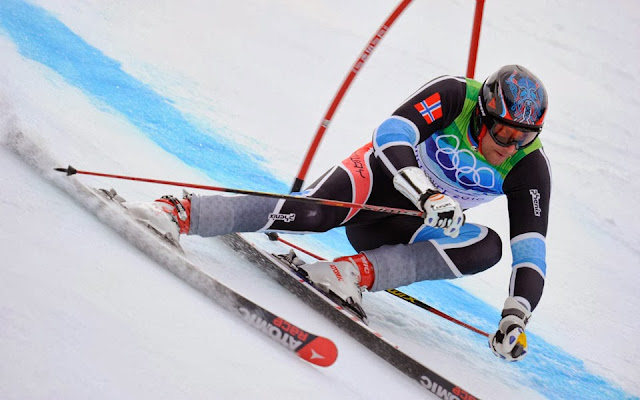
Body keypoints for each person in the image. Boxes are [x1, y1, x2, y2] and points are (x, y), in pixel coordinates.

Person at [126, 64, 550, 362]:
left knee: (487, 246)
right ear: (483, 115)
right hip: (377, 181)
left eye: (523, 137)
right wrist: (424, 193)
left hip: (406, 227)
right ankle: (179, 211)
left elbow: (531, 249)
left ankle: (349, 274)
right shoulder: (457, 95)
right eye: (503, 132)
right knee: (313, 215)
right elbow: (392, 133)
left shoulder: (527, 164)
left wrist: (516, 315)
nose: (509, 146)